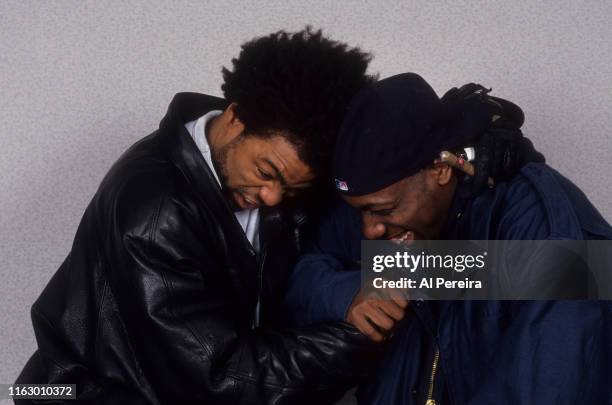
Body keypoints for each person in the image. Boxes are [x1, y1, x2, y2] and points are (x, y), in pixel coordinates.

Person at [16, 28, 382, 404]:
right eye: (266, 172)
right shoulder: (154, 213)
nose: (273, 197)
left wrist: (437, 267)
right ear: (234, 119)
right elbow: (216, 376)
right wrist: (354, 335)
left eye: (291, 189)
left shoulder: (280, 166)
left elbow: (358, 242)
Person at [285, 73, 612, 404]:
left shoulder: (546, 230)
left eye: (383, 210)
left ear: (441, 169)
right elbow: (302, 275)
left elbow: (552, 388)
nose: (369, 230)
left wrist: (430, 271)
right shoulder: (384, 202)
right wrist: (350, 293)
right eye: (360, 213)